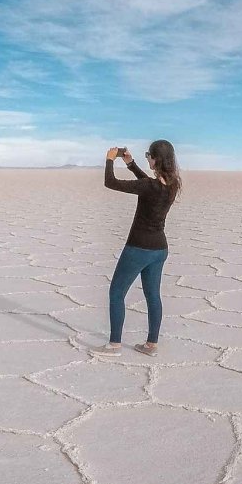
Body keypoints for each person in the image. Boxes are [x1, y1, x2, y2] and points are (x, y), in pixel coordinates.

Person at [94, 140, 182, 357]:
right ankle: (151, 345)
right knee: (153, 296)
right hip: (159, 249)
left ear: (155, 159)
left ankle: (114, 345)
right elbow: (149, 184)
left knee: (116, 292)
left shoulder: (148, 187)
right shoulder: (172, 184)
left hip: (138, 248)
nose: (147, 159)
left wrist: (109, 159)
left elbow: (110, 182)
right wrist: (131, 163)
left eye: (148, 156)